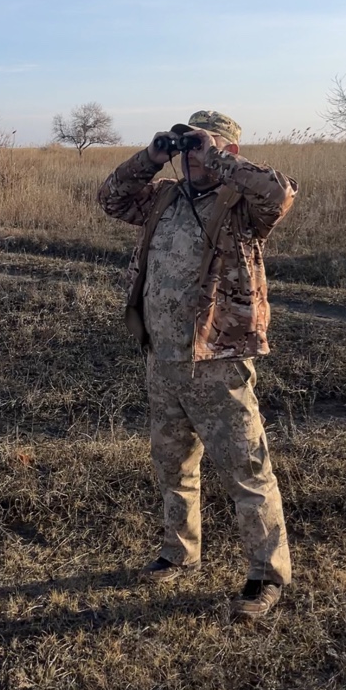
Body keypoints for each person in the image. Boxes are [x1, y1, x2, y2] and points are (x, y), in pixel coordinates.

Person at [97, 110, 297, 619]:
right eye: (184, 146)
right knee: (173, 463)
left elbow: (280, 194)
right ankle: (179, 551)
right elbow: (112, 198)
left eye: (200, 147)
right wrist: (151, 157)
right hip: (162, 360)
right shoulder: (164, 197)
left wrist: (217, 157)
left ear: (228, 152)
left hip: (218, 363)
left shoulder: (243, 206)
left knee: (247, 470)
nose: (190, 156)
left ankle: (266, 575)